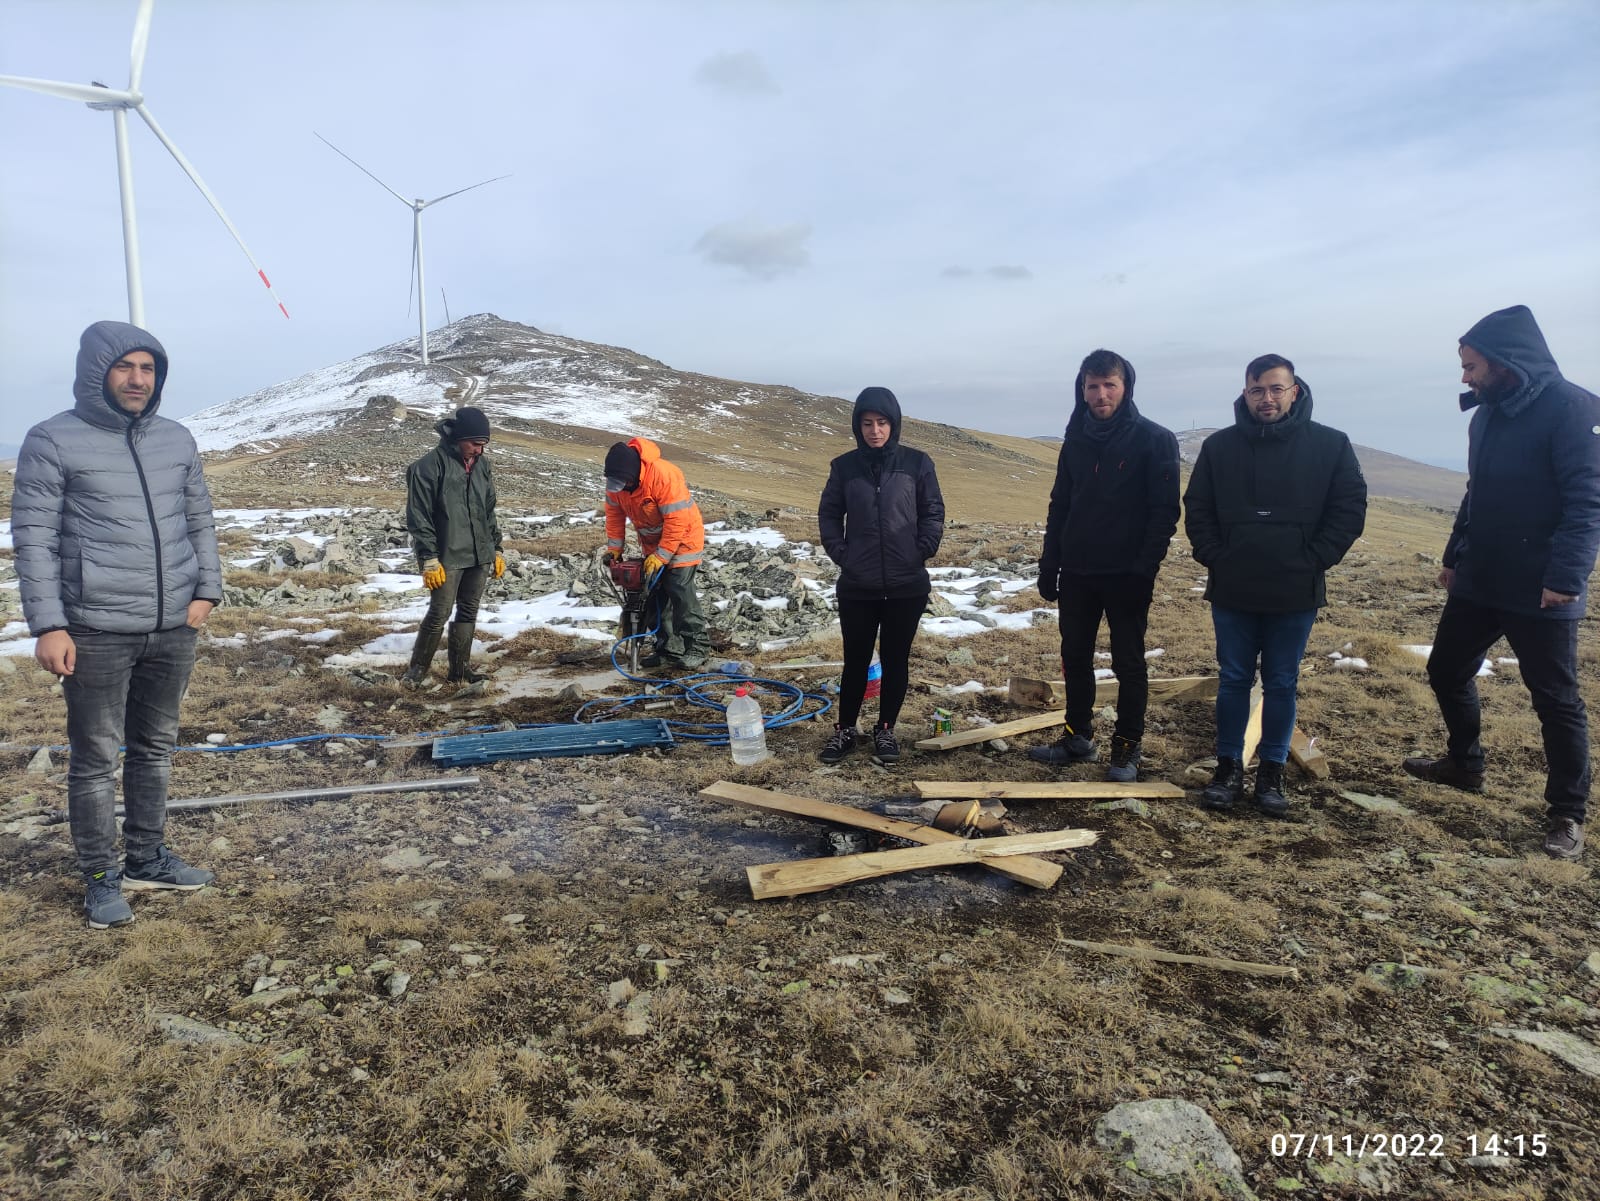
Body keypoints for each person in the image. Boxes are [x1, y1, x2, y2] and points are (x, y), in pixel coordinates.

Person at [11, 321, 221, 928]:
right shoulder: (52, 439)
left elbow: (198, 518)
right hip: (95, 628)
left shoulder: (176, 439)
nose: (137, 379)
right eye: (125, 367)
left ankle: (148, 857)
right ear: (96, 371)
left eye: (148, 368)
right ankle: (101, 875)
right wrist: (48, 624)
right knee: (96, 758)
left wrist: (206, 589)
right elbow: (34, 538)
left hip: (172, 627)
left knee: (155, 749)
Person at [1402, 306, 1600, 861]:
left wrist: (1565, 579)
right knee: (1445, 669)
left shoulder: (1575, 410)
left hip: (1542, 587)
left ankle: (1567, 812)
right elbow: (1476, 492)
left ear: (1506, 362)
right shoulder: (1485, 416)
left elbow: (1586, 504)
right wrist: (1452, 555)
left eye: (1471, 366)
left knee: (1555, 699)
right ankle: (1464, 764)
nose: (1464, 377)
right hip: (1481, 575)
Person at [1184, 354, 1367, 816]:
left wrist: (1314, 558)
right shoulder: (1220, 447)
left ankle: (1272, 773)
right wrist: (1216, 555)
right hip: (1233, 585)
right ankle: (1228, 767)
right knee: (1233, 680)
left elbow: (1349, 508)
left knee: (1282, 682)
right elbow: (1198, 506)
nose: (1267, 398)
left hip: (1295, 588)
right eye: (1257, 390)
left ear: (1294, 391)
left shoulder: (1330, 445)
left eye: (1276, 389)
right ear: (1245, 393)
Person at [1029, 349, 1180, 780]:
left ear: (1125, 387)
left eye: (1109, 385)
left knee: (1128, 662)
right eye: (1092, 386)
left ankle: (1127, 748)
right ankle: (1079, 737)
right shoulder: (1075, 439)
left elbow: (1164, 511)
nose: (1100, 394)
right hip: (1078, 570)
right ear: (1082, 390)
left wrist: (1144, 569)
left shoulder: (1155, 439)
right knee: (1074, 655)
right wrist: (1049, 563)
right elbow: (1061, 504)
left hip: (1127, 573)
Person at [817, 387, 945, 765]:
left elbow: (933, 511)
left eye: (882, 422)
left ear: (894, 423)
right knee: (855, 659)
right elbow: (828, 514)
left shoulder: (917, 463)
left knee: (895, 659)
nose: (875, 430)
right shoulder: (844, 467)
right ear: (858, 426)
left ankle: (886, 729)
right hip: (858, 584)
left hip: (907, 585)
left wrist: (921, 549)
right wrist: (843, 554)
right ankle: (845, 730)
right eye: (867, 423)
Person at [402, 406, 505, 685]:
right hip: (446, 555)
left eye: (484, 445)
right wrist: (428, 557)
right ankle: (416, 673)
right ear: (457, 437)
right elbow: (418, 516)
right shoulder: (427, 467)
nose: (479, 451)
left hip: (479, 554)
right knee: (439, 612)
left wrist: (496, 548)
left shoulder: (482, 466)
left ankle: (460, 671)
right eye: (475, 444)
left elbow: (488, 510)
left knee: (469, 611)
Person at [602, 436, 710, 669]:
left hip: (684, 539)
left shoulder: (663, 476)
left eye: (622, 483)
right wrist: (615, 549)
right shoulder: (617, 483)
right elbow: (614, 516)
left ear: (633, 475)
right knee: (652, 596)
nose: (618, 488)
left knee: (679, 590)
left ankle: (698, 647)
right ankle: (669, 649)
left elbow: (677, 520)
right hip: (653, 544)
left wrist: (662, 556)